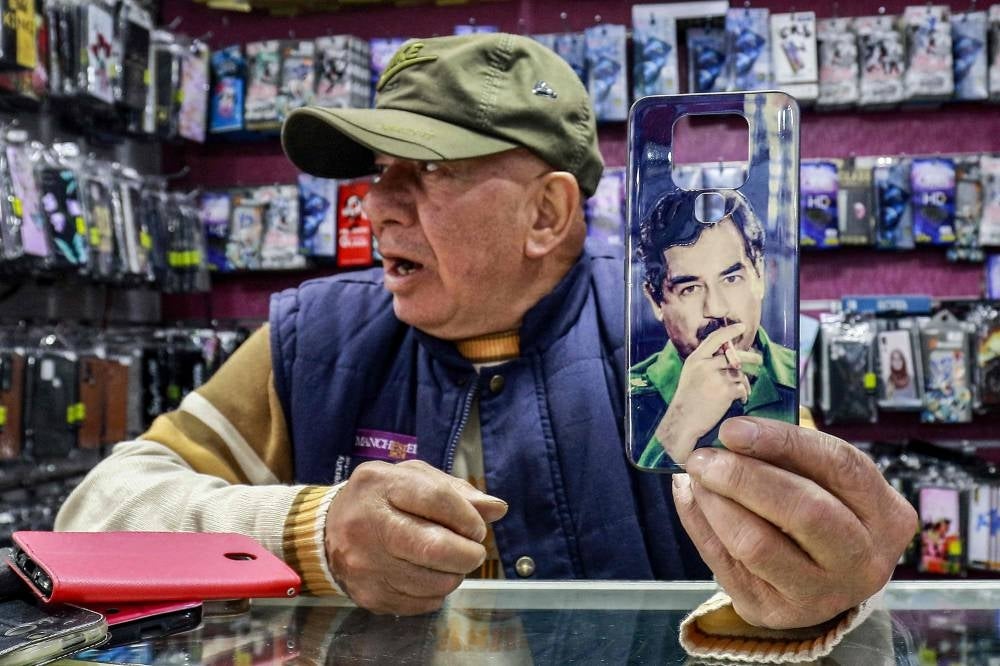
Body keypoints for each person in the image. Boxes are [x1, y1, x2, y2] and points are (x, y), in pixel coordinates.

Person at [56, 33, 916, 632]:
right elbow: (93, 517)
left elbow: (821, 552)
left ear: (548, 212)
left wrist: (829, 577)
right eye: (376, 171)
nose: (376, 203)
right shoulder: (317, 335)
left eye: (426, 171)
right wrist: (310, 534)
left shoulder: (684, 331)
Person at [630, 188, 796, 468]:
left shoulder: (800, 377)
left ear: (760, 277)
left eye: (731, 279)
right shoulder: (625, 398)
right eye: (691, 288)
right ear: (656, 300)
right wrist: (680, 423)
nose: (717, 309)